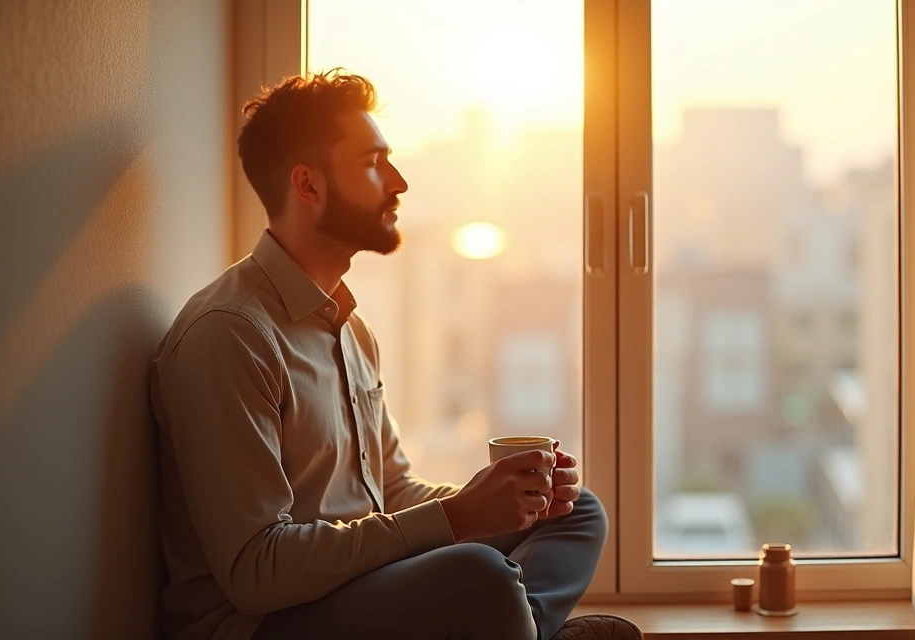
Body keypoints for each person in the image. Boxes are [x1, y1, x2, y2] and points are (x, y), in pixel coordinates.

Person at [149, 70, 643, 640]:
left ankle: (521, 628)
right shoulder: (230, 335)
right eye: (372, 163)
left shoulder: (351, 329)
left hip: (359, 588)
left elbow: (391, 493)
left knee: (577, 511)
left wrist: (498, 495)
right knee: (480, 575)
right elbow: (256, 573)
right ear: (308, 185)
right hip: (264, 623)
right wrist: (457, 520)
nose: (400, 181)